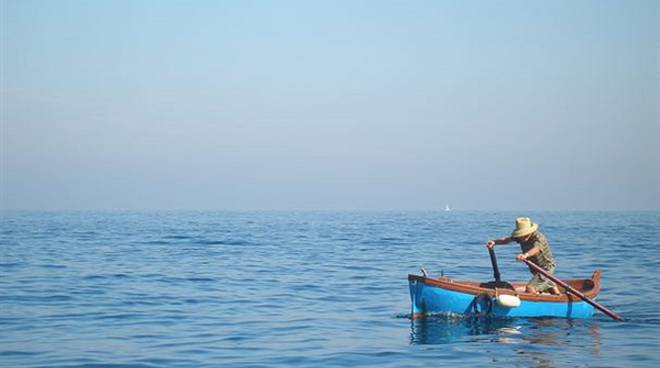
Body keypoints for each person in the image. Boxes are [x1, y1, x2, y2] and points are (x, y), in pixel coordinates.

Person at [486, 217, 560, 295]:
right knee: (549, 285)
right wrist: (494, 242)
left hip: (546, 268)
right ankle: (558, 296)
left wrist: (525, 255)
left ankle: (536, 302)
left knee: (530, 288)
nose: (522, 238)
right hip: (535, 268)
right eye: (521, 235)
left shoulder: (538, 237)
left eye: (525, 235)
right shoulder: (520, 237)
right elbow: (507, 240)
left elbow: (537, 248)